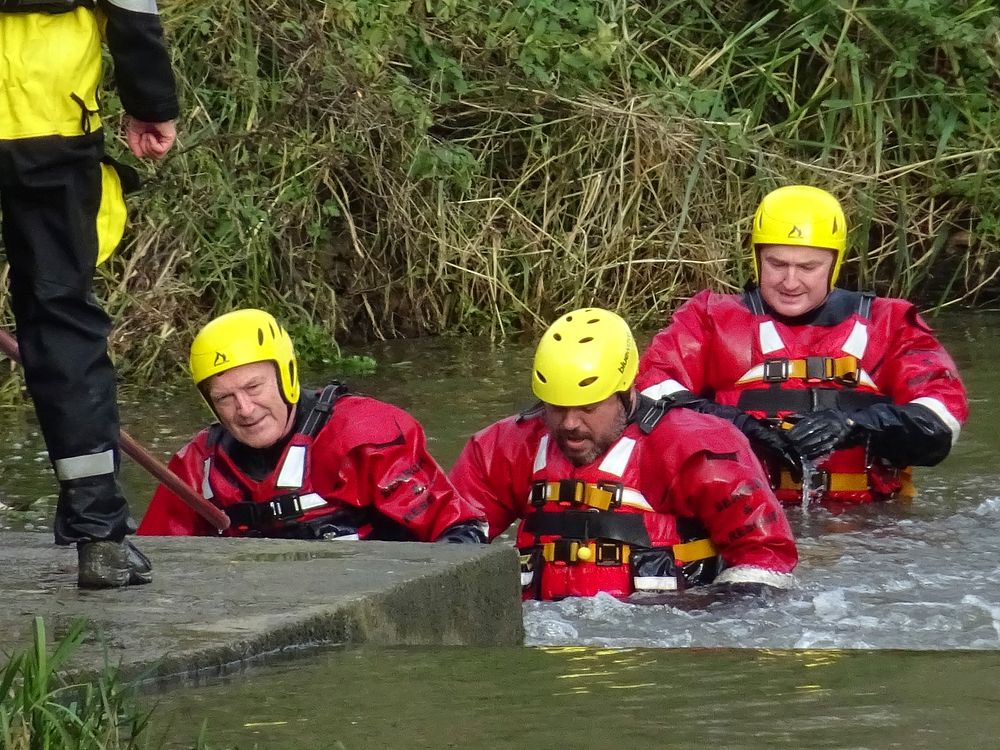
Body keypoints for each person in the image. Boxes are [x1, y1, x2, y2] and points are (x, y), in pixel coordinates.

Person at [637, 185, 968, 505]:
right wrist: (741, 428)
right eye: (777, 264)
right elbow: (649, 395)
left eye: (808, 267)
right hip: (748, 513)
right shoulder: (708, 318)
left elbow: (940, 422)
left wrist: (857, 426)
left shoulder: (891, 324)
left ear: (835, 263)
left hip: (869, 520)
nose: (790, 282)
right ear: (756, 258)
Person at [0, 0, 179, 587]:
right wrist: (150, 102)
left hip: (52, 128)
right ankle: (99, 538)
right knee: (63, 327)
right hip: (51, 128)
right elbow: (131, 5)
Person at [448, 307, 797, 601]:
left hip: (664, 631)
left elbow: (764, 559)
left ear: (625, 390)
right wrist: (458, 540)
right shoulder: (502, 447)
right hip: (548, 626)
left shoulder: (699, 449)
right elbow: (452, 531)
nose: (569, 423)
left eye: (588, 407)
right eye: (555, 407)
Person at [138, 309, 488, 543]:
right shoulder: (196, 466)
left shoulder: (362, 434)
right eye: (225, 398)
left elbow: (460, 529)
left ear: (287, 374)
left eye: (254, 388)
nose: (244, 410)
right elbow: (163, 561)